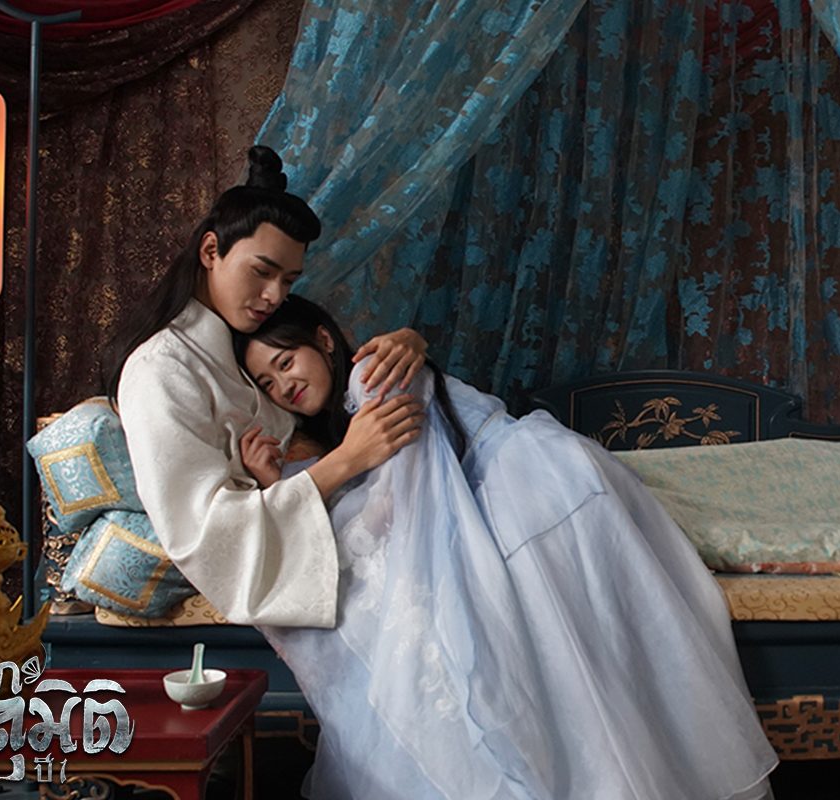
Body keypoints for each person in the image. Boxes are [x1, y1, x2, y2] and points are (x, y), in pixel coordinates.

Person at [234, 296, 780, 800]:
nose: (284, 386)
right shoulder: (344, 416)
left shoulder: (372, 374)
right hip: (523, 478)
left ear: (323, 340)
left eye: (286, 363)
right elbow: (382, 492)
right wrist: (278, 484)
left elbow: (394, 504)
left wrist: (288, 496)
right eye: (267, 382)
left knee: (466, 619)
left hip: (532, 486)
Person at [105, 146, 427, 628]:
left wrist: (409, 341)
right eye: (261, 272)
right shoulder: (161, 369)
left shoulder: (245, 342)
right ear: (210, 251)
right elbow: (206, 536)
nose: (274, 295)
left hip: (374, 522)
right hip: (316, 561)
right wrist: (344, 461)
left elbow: (335, 381)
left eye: (288, 280)